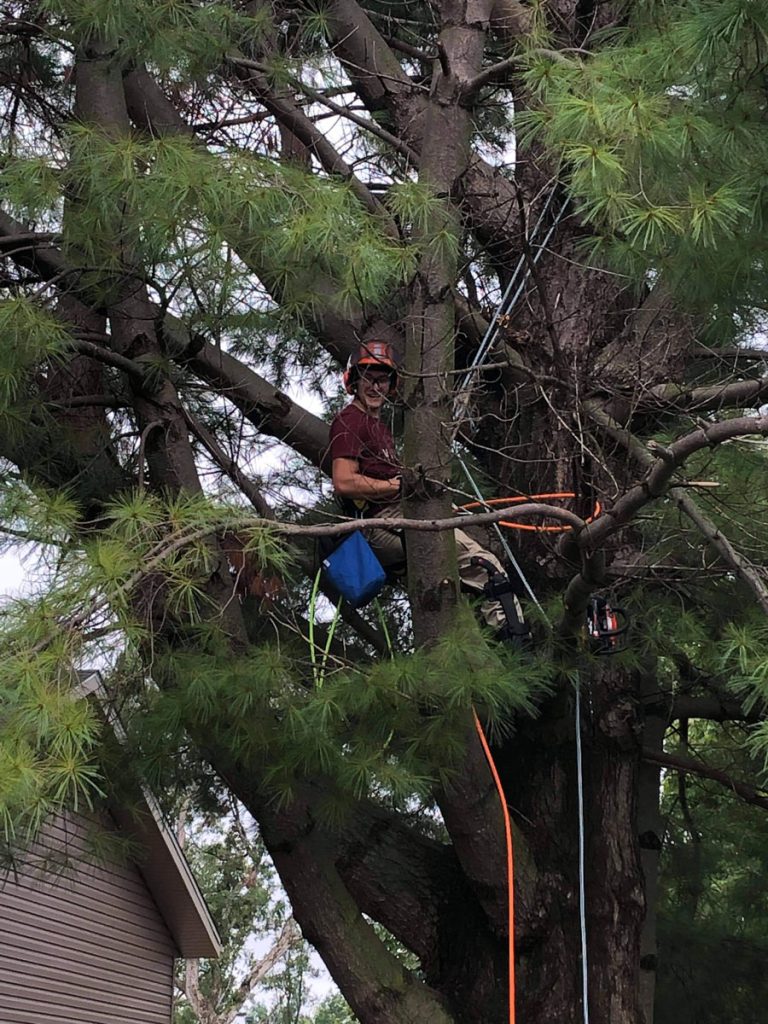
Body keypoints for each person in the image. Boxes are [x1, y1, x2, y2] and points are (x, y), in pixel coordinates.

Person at [327, 340, 526, 638]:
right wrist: (397, 486)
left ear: (391, 384)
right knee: (486, 566)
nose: (375, 386)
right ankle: (519, 648)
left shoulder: (377, 427)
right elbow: (343, 481)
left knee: (453, 594)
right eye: (367, 378)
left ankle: (485, 655)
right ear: (353, 382)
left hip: (398, 517)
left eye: (382, 378)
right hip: (382, 523)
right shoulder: (350, 420)